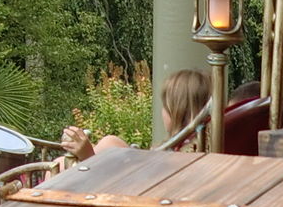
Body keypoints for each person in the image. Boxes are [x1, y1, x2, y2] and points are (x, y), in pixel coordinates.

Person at [63, 68, 213, 159]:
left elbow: (131, 188)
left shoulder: (178, 158)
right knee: (110, 142)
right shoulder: (202, 148)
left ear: (177, 111)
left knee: (109, 144)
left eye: (165, 106)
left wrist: (88, 157)